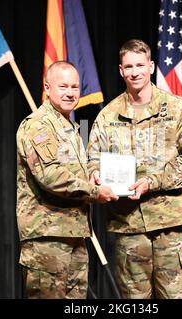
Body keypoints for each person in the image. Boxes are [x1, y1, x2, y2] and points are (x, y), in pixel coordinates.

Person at [87, 39, 182, 299]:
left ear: (151, 66)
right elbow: (92, 158)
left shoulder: (176, 108)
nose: (135, 72)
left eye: (140, 65)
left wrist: (153, 181)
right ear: (121, 70)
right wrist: (96, 174)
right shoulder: (108, 115)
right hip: (127, 222)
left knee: (174, 296)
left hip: (169, 221)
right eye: (128, 66)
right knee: (134, 299)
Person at [16, 61, 118, 299]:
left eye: (75, 86)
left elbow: (74, 171)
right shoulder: (38, 125)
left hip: (75, 235)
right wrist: (94, 191)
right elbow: (50, 175)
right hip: (47, 239)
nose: (70, 93)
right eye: (63, 86)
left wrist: (92, 175)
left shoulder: (72, 127)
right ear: (47, 87)